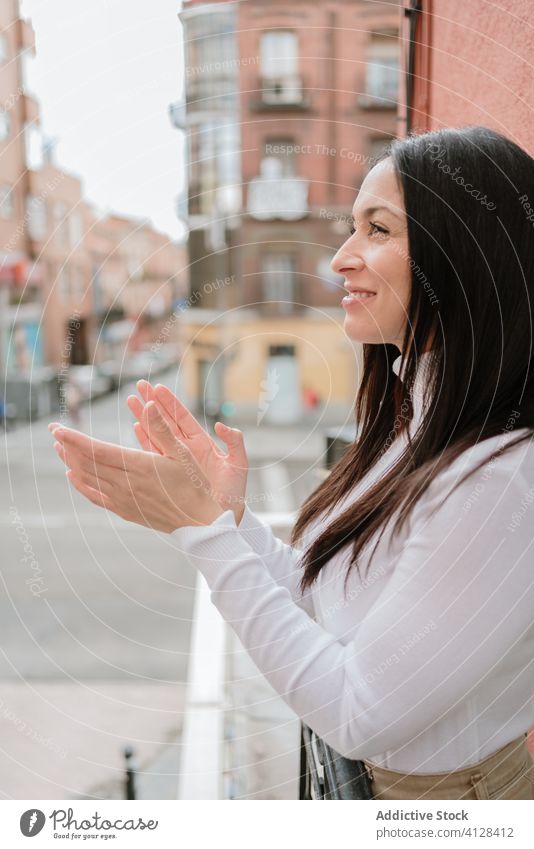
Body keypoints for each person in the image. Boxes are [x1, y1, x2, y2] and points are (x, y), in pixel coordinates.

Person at [48, 126, 534, 800]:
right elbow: (323, 606)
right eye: (351, 228)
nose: (340, 258)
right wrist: (227, 517)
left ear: (464, 256)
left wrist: (204, 533)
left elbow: (355, 711)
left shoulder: (500, 480)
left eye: (378, 230)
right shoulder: (412, 422)